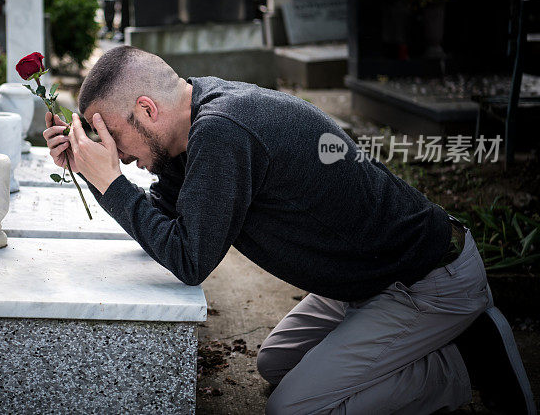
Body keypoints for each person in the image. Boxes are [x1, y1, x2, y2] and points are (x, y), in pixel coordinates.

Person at [42, 45, 535, 414]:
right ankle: (428, 349)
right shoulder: (191, 121)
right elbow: (164, 224)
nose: (119, 153)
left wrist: (110, 182)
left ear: (147, 110)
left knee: (293, 408)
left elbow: (189, 259)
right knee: (273, 365)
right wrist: (96, 174)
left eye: (114, 135)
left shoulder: (222, 132)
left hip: (424, 280)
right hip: (361, 282)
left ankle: (459, 367)